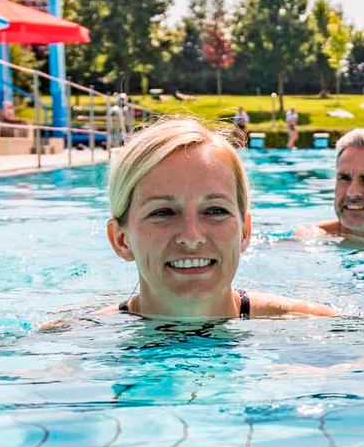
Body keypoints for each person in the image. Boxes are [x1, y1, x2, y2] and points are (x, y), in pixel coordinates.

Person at [106, 116, 334, 320]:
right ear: (121, 240)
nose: (192, 237)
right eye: (162, 212)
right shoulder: (83, 338)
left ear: (245, 231)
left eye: (215, 210)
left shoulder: (316, 328)